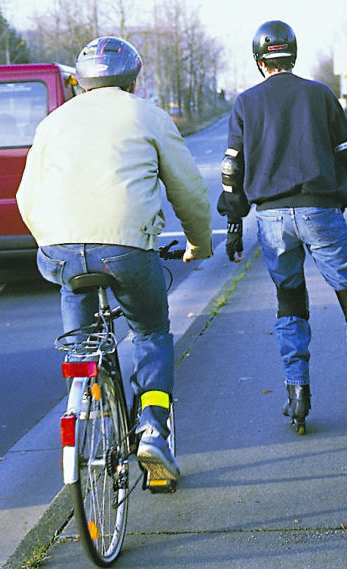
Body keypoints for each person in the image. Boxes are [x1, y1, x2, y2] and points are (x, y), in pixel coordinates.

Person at [17, 36, 213, 489]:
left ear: (82, 82)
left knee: (82, 339)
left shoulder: (53, 122)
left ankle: (86, 397)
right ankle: (153, 429)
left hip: (61, 249)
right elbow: (188, 191)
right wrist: (198, 244)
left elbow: (26, 197)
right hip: (127, 249)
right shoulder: (147, 116)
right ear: (133, 78)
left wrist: (52, 241)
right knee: (150, 332)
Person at [217, 20, 347, 435]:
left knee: (290, 302)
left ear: (259, 59)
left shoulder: (246, 102)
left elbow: (232, 167)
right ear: (293, 54)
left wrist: (234, 222)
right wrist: (346, 185)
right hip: (320, 210)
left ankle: (297, 395)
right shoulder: (319, 95)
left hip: (270, 219)